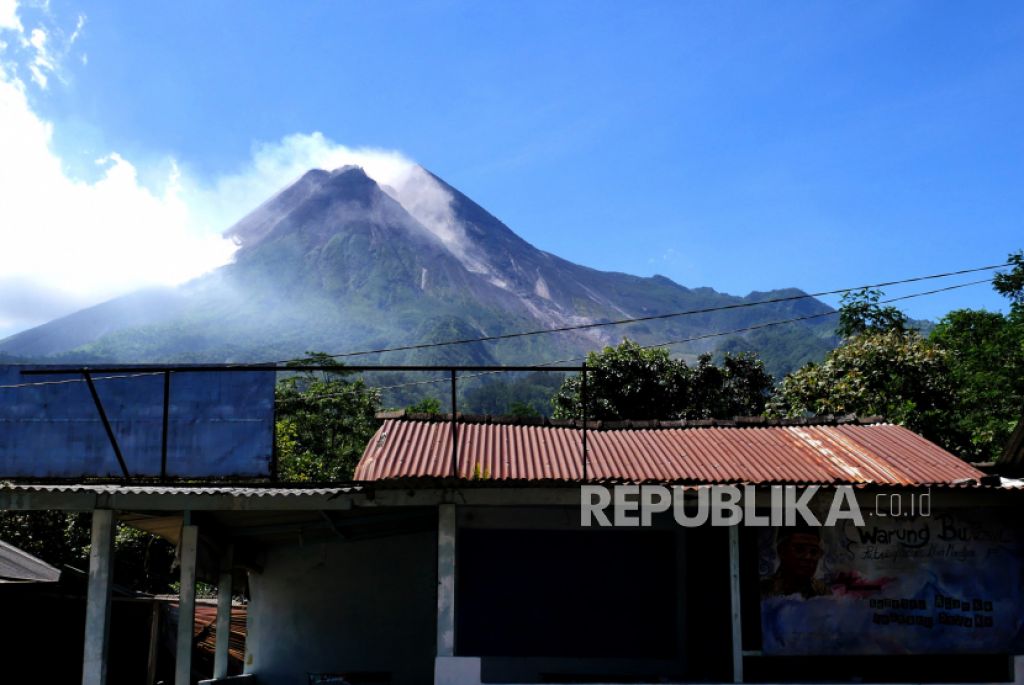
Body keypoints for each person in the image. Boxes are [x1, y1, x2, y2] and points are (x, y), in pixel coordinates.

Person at [760, 526, 831, 599]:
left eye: (814, 552)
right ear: (782, 551)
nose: (808, 557)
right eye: (799, 549)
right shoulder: (764, 592)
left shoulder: (822, 592)